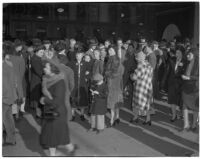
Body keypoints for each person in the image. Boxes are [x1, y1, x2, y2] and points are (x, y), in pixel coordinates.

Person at [40, 61, 77, 156]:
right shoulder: (46, 79)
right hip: (50, 110)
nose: (44, 69)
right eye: (44, 67)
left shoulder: (59, 82)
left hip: (58, 112)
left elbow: (58, 100)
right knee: (52, 134)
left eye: (46, 68)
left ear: (53, 69)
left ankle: (70, 148)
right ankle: (63, 151)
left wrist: (44, 100)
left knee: (58, 134)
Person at [130, 51, 153, 125]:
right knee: (147, 103)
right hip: (148, 86)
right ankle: (148, 119)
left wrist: (131, 75)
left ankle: (135, 117)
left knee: (136, 103)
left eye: (137, 58)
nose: (136, 59)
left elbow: (134, 77)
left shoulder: (140, 66)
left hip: (140, 87)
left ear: (139, 58)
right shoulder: (149, 65)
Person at [105, 45, 124, 127]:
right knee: (115, 100)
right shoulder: (110, 59)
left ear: (115, 50)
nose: (110, 52)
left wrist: (107, 73)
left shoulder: (115, 60)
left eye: (111, 50)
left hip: (114, 82)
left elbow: (118, 71)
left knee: (114, 100)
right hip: (113, 82)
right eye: (109, 50)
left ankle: (113, 118)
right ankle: (116, 117)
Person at [68, 51, 91, 121]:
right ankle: (73, 115)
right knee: (73, 99)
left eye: (80, 55)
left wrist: (87, 77)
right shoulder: (71, 63)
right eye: (77, 55)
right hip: (74, 84)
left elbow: (90, 72)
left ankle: (82, 114)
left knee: (82, 100)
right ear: (75, 56)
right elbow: (68, 72)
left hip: (82, 85)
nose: (78, 56)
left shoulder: (86, 64)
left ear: (82, 56)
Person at [3, 42, 17, 146]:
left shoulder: (3, 67)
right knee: (8, 118)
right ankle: (11, 139)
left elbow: (4, 84)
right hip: (10, 96)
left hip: (4, 97)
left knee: (6, 118)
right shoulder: (8, 64)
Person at [181, 49, 199, 131]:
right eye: (187, 54)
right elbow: (182, 72)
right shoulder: (186, 62)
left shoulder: (198, 64)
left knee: (195, 107)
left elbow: (198, 77)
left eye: (189, 55)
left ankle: (194, 125)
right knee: (184, 106)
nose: (187, 56)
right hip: (185, 88)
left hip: (194, 89)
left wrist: (189, 77)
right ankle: (186, 125)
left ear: (194, 55)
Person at [166, 47, 185, 122]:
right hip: (171, 83)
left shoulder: (185, 62)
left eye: (178, 53)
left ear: (182, 54)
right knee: (172, 100)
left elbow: (186, 73)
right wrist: (164, 82)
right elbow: (167, 72)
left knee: (180, 101)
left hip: (180, 84)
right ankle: (174, 115)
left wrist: (182, 68)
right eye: (176, 53)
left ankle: (181, 114)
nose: (176, 54)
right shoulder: (171, 60)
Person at [9, 40, 26, 119]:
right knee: (18, 97)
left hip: (9, 80)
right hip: (17, 80)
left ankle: (11, 114)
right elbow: (22, 71)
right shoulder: (20, 59)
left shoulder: (7, 57)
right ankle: (17, 115)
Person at [30, 45, 45, 118]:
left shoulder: (38, 58)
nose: (43, 53)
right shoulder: (35, 59)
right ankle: (38, 114)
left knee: (39, 97)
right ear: (36, 52)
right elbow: (39, 72)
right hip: (37, 81)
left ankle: (39, 113)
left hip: (38, 81)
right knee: (37, 98)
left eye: (43, 52)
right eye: (41, 52)